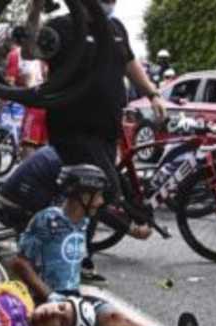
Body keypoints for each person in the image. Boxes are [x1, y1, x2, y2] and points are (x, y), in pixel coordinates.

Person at [9, 165, 200, 326]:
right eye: (98, 196)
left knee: (115, 318)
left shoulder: (84, 220)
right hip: (46, 300)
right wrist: (50, 295)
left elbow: (110, 215)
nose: (100, 201)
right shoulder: (48, 220)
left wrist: (135, 227)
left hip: (74, 296)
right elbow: (19, 263)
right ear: (83, 195)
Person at [26, 0, 165, 283]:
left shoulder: (115, 28)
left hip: (106, 128)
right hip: (71, 125)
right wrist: (35, 9)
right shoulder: (63, 25)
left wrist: (152, 92)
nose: (111, 3)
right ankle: (63, 256)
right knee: (100, 186)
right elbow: (31, 49)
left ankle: (74, 256)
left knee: (86, 193)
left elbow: (128, 63)